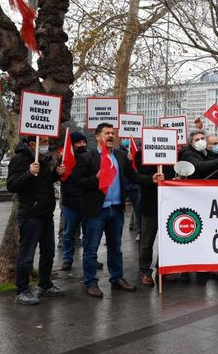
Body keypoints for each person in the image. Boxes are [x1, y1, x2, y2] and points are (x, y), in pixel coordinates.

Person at [75, 123, 164, 298]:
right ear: (98, 137)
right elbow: (77, 182)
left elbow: (134, 176)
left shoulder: (121, 156)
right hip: (96, 211)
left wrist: (151, 179)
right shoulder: (88, 158)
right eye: (107, 133)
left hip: (115, 210)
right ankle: (91, 282)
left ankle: (117, 279)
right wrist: (96, 179)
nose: (111, 136)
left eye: (112, 133)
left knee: (116, 248)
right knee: (91, 248)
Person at [7, 136, 67, 305]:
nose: (47, 145)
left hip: (46, 213)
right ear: (33, 143)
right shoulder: (20, 159)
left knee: (48, 253)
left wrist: (56, 174)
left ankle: (45, 284)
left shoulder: (43, 158)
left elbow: (44, 181)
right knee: (26, 255)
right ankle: (22, 291)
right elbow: (12, 185)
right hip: (30, 215)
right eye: (45, 141)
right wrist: (29, 173)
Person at [137, 155, 176, 287]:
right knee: (147, 242)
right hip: (150, 205)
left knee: (167, 240)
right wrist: (153, 179)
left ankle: (163, 269)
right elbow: (140, 177)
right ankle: (144, 271)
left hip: (168, 204)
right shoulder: (142, 154)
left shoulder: (173, 155)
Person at [60, 132, 88, 271]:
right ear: (72, 145)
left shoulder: (90, 157)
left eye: (84, 142)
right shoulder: (65, 159)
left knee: (89, 233)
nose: (82, 145)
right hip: (70, 203)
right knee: (68, 233)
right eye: (78, 142)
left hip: (86, 202)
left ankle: (90, 259)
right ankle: (67, 259)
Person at [120, 137, 142, 239]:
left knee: (138, 209)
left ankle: (140, 231)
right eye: (124, 139)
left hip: (134, 185)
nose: (126, 140)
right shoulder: (118, 152)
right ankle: (114, 235)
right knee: (117, 210)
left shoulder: (137, 150)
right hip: (122, 185)